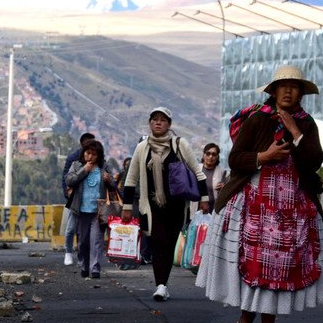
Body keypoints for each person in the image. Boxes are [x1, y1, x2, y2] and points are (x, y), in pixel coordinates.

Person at [196, 65, 323, 323]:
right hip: (255, 201)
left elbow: (314, 161)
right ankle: (246, 314)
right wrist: (264, 155)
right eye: (282, 86)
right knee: (255, 260)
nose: (288, 91)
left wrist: (295, 131)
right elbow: (236, 158)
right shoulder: (259, 119)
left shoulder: (307, 124)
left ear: (301, 93)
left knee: (282, 263)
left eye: (294, 87)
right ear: (273, 90)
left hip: (292, 204)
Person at [121, 107, 209, 301]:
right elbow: (131, 178)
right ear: (150, 123)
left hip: (176, 206)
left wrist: (204, 199)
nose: (158, 123)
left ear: (169, 124)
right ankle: (160, 285)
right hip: (151, 207)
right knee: (157, 243)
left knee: (168, 245)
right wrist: (127, 206)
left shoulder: (179, 144)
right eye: (154, 119)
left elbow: (198, 172)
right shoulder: (142, 148)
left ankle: (163, 284)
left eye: (162, 120)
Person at [64, 138, 116, 279]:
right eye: (88, 153)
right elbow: (69, 180)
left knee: (96, 240)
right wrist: (84, 170)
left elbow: (114, 186)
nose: (90, 156)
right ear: (83, 154)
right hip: (80, 210)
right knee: (83, 241)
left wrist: (109, 180)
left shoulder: (104, 167)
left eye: (94, 154)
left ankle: (95, 268)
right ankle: (84, 265)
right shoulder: (76, 165)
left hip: (98, 212)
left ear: (99, 155)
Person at [62, 132, 95, 266]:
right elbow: (67, 178)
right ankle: (68, 252)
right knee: (71, 229)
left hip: (92, 201)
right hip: (76, 199)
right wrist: (67, 193)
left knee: (86, 232)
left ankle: (84, 257)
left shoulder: (99, 160)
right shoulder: (74, 160)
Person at [194, 143, 228, 214]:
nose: (210, 156)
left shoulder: (223, 172)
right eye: (208, 153)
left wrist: (224, 188)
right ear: (203, 155)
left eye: (214, 154)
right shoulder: (196, 169)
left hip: (212, 210)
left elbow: (227, 192)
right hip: (195, 208)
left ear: (217, 157)